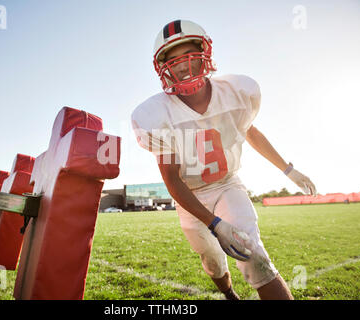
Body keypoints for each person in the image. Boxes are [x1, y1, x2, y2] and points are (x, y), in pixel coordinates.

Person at [131, 20, 317, 300]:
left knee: (253, 253)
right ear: (163, 69)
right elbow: (171, 178)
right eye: (173, 61)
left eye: (188, 56)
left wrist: (288, 169)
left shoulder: (237, 91)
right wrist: (214, 224)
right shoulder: (154, 115)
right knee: (214, 263)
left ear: (204, 54)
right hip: (190, 195)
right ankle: (230, 295)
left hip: (228, 184)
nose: (182, 67)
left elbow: (249, 131)